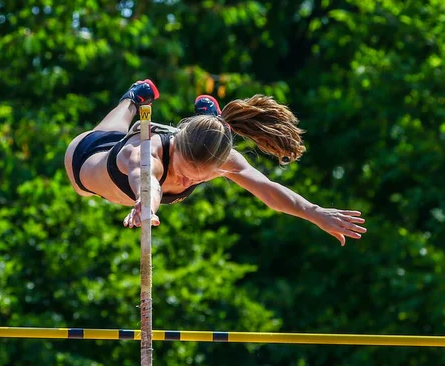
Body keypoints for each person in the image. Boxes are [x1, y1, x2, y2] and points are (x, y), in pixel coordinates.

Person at [64, 79, 366, 245]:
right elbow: (148, 186)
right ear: (178, 150)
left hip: (188, 139)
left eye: (198, 180)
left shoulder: (223, 159)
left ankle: (210, 119)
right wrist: (145, 207)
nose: (187, 183)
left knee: (209, 140)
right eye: (185, 174)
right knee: (111, 129)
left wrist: (315, 213)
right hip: (88, 157)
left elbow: (269, 191)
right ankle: (133, 96)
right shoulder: (145, 156)